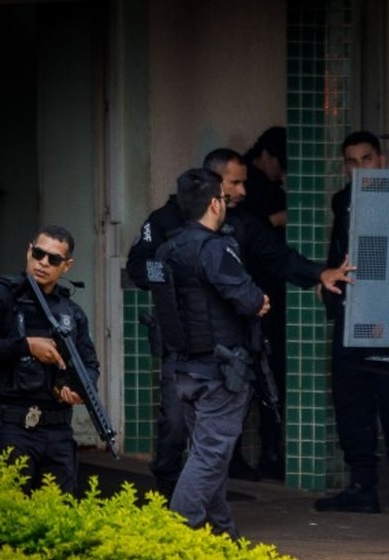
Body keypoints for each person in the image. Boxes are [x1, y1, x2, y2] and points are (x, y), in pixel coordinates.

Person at [127, 149, 353, 492]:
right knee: (174, 427)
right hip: (182, 348)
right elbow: (138, 267)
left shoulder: (241, 222)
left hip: (225, 349)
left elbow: (278, 257)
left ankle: (205, 508)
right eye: (235, 182)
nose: (244, 191)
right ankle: (170, 502)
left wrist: (320, 273)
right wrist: (175, 274)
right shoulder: (163, 221)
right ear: (214, 184)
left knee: (217, 434)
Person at [314, 131, 389, 518]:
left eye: (366, 158)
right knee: (351, 402)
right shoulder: (343, 200)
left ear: (381, 160)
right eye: (351, 160)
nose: (358, 167)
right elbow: (340, 255)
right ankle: (362, 486)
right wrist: (327, 287)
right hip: (352, 316)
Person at [150, 168, 270, 539]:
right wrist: (260, 300)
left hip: (184, 370)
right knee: (210, 456)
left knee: (208, 454)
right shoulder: (214, 247)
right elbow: (249, 300)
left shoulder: (165, 248)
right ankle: (175, 539)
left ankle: (223, 536)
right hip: (219, 372)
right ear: (216, 204)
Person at [0, 226, 99, 495]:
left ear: (67, 266)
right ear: (29, 251)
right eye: (39, 254)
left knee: (60, 518)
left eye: (53, 259)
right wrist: (25, 346)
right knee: (8, 516)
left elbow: (89, 364)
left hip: (58, 430)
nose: (43, 263)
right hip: (11, 426)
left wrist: (79, 388)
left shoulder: (71, 311)